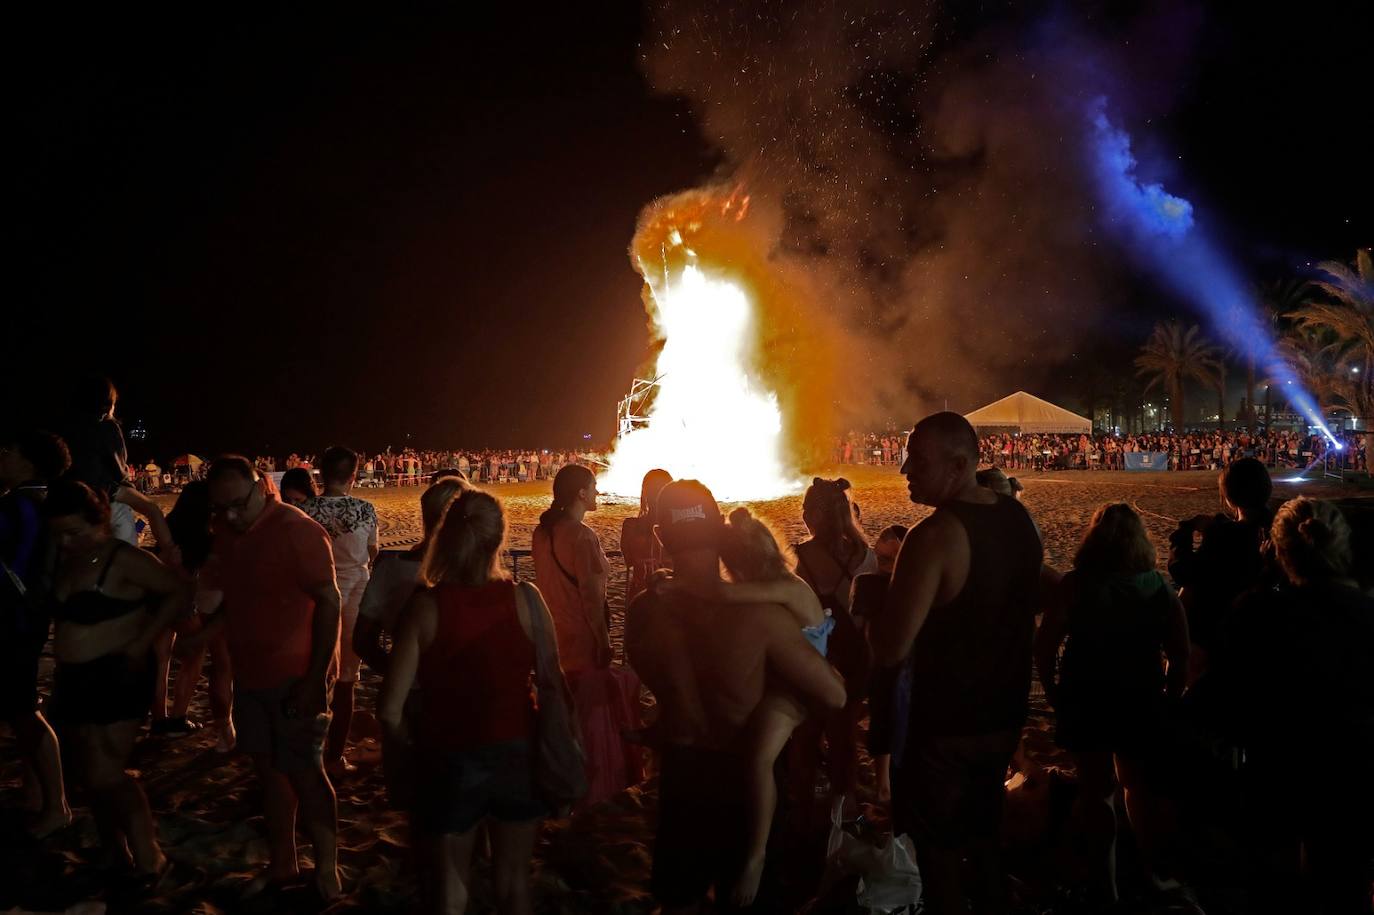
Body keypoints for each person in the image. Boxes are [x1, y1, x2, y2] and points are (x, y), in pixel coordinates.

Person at [627, 480, 847, 912]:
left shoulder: (642, 611)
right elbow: (835, 694)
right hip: (746, 779)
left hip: (683, 774)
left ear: (660, 535)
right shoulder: (761, 617)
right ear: (717, 530)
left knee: (680, 900)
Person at [870, 412, 1043, 915]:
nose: (905, 469)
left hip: (943, 726)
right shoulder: (1018, 519)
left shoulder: (934, 536)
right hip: (1004, 714)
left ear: (960, 464)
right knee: (986, 838)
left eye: (918, 461)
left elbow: (892, 647)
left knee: (938, 856)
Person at [379, 488, 551, 915]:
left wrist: (408, 748)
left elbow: (388, 708)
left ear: (446, 536)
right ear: (499, 539)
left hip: (449, 753)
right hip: (517, 748)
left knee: (450, 890)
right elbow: (554, 684)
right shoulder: (527, 599)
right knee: (513, 883)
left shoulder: (426, 607)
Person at [1219, 498, 1374, 915]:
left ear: (1275, 550)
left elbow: (1226, 704)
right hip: (1354, 771)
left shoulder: (1257, 612)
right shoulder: (1364, 612)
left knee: (1278, 885)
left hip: (1279, 773)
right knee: (1347, 883)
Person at [1033, 504, 1190, 907]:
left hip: (1087, 696)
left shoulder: (1075, 585)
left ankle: (1107, 886)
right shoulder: (1158, 586)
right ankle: (1149, 872)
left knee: (1097, 792)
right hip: (1139, 696)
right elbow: (1180, 653)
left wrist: (1053, 690)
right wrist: (1170, 699)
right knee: (1137, 788)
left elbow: (1046, 643)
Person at [201, 456, 342, 899]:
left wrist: (316, 677)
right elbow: (234, 596)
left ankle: (328, 870)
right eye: (220, 508)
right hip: (251, 674)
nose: (229, 516)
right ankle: (284, 864)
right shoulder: (227, 532)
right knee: (268, 769)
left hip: (297, 673)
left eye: (237, 505)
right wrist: (201, 633)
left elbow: (330, 602)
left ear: (262, 488)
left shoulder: (297, 530)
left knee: (306, 771)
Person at [43, 481, 191, 879]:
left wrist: (142, 641)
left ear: (102, 520)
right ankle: (115, 850)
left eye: (76, 532)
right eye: (59, 534)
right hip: (74, 677)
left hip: (117, 674)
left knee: (106, 772)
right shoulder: (66, 558)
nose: (67, 541)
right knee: (87, 773)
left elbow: (178, 591)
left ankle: (149, 855)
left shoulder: (122, 559)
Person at [532, 464, 641, 807]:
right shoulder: (582, 537)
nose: (597, 492)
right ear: (580, 493)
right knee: (588, 718)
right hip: (581, 637)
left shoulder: (543, 533)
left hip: (551, 633)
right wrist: (604, 642)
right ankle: (587, 786)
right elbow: (592, 600)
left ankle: (556, 780)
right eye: (593, 486)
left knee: (559, 712)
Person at [790, 477, 877, 822]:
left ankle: (803, 808)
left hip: (819, 657)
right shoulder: (867, 555)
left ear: (813, 515)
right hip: (857, 660)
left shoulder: (804, 557)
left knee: (807, 735)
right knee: (844, 737)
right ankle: (846, 804)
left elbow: (799, 612)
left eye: (804, 509)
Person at [1, 430, 73, 838]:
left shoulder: (18, 506)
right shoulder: (43, 502)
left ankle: (55, 805)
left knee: (25, 711)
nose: (2, 455)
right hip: (27, 620)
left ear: (28, 463)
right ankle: (36, 795)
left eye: (9, 449)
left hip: (13, 622)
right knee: (20, 708)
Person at [300, 446, 378, 777]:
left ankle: (309, 754)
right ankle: (334, 756)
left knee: (313, 676)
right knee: (346, 681)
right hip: (353, 598)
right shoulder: (364, 510)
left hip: (314, 600)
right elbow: (372, 552)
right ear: (353, 476)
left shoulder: (304, 511)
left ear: (321, 472)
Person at [1167, 457, 1274, 670]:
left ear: (1229, 496)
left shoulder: (1227, 536)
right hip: (1263, 629)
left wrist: (1183, 536)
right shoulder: (1274, 527)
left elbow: (1184, 572)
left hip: (1219, 630)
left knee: (1184, 595)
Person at [354, 476, 467, 676]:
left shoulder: (390, 569)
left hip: (411, 692)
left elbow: (363, 640)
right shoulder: (476, 572)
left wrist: (401, 675)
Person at [152, 481, 236, 750]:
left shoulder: (170, 522)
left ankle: (159, 720)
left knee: (161, 659)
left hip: (156, 596)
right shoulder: (204, 531)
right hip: (181, 599)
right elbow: (192, 575)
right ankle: (177, 717)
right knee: (195, 653)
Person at [62, 376, 176, 561]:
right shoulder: (107, 425)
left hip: (75, 488)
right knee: (152, 508)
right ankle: (171, 553)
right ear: (108, 403)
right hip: (103, 487)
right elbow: (118, 466)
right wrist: (127, 484)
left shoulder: (68, 425)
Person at [850, 523, 908, 805]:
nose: (885, 564)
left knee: (894, 722)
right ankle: (884, 785)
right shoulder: (869, 585)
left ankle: (891, 783)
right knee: (883, 721)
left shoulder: (916, 584)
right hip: (881, 665)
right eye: (881, 558)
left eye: (892, 558)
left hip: (904, 665)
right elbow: (863, 630)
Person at [619, 468, 673, 601]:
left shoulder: (630, 526)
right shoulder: (677, 529)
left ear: (645, 493)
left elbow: (629, 561)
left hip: (640, 593)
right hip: (669, 596)